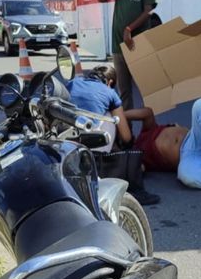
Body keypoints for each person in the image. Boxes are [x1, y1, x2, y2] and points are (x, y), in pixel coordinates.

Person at [66, 66, 160, 206]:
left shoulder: (72, 83)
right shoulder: (110, 93)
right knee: (110, 116)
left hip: (66, 141)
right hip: (91, 146)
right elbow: (126, 136)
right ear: (110, 82)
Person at [97, 0, 158, 111]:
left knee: (147, 91)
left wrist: (129, 28)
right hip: (119, 46)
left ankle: (148, 133)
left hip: (137, 45)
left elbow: (148, 11)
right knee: (124, 93)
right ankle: (128, 134)